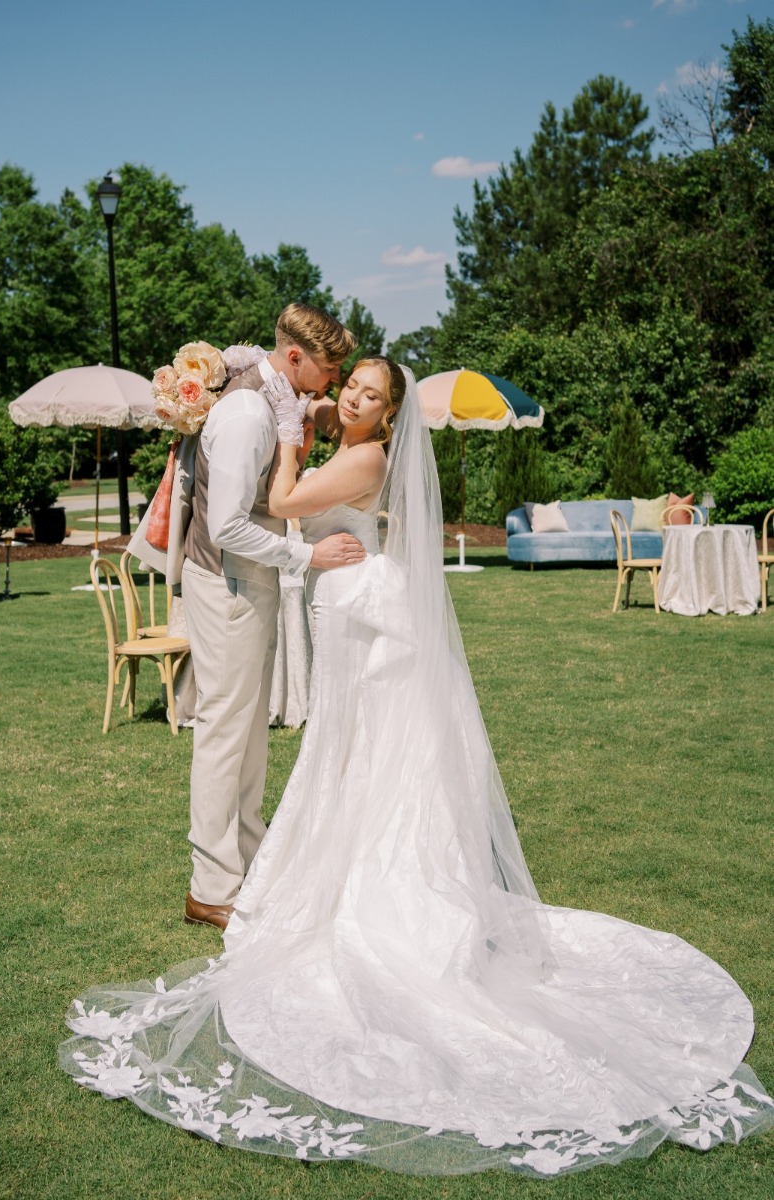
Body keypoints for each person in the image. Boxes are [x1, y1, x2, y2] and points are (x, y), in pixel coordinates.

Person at [60, 361, 774, 1177]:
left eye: (369, 395)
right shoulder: (359, 449)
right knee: (356, 755)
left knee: (377, 758)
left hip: (368, 613)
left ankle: (386, 892)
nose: (355, 400)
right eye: (351, 389)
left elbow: (288, 503)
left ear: (391, 416)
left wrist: (291, 433)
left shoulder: (363, 458)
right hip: (356, 607)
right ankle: (342, 871)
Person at [179, 304, 360, 932]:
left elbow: (303, 415)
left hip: (246, 584)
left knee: (250, 733)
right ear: (293, 358)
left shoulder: (277, 398)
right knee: (224, 734)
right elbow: (227, 525)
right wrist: (306, 554)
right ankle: (209, 886)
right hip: (226, 585)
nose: (333, 381)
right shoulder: (250, 413)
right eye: (329, 368)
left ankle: (248, 866)